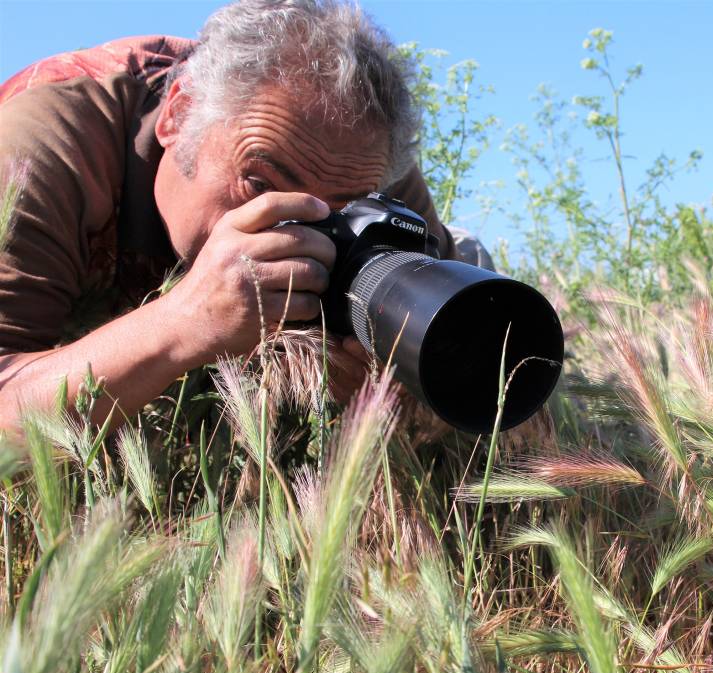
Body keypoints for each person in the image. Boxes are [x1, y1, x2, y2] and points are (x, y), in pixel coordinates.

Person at [0, 0, 482, 431]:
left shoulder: (362, 161)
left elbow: (470, 354)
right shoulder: (48, 149)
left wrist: (380, 386)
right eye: (261, 185)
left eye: (333, 213)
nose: (288, 234)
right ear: (178, 116)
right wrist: (187, 321)